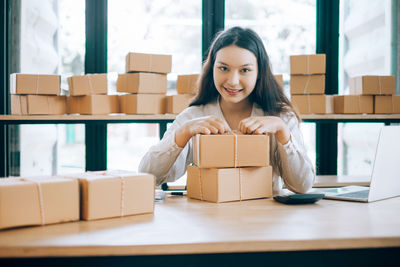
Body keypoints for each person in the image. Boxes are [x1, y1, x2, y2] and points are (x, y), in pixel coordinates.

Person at [139, 26, 315, 194]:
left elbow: (303, 185)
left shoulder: (281, 118)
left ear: (259, 73)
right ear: (212, 69)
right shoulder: (193, 117)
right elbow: (148, 176)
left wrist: (283, 132)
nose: (233, 81)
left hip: (263, 221)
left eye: (245, 70)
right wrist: (182, 134)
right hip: (209, 219)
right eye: (223, 68)